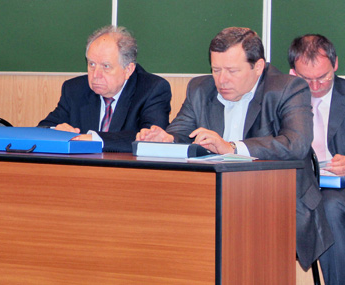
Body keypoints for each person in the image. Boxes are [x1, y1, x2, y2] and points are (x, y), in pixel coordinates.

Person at [137, 27, 332, 271]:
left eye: (232, 71)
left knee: (231, 230)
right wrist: (165, 139)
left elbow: (297, 143)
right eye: (216, 70)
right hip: (214, 199)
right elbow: (181, 132)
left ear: (258, 67)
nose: (222, 80)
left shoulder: (288, 88)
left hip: (277, 201)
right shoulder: (200, 89)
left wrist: (231, 147)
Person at [38, 25, 171, 152]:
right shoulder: (74, 89)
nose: (96, 75)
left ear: (128, 70)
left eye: (106, 66)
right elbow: (41, 129)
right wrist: (56, 131)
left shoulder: (152, 89)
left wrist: (94, 139)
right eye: (92, 64)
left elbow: (151, 139)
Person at [288, 34, 345, 284]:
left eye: (322, 77)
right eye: (306, 79)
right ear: (293, 72)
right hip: (297, 186)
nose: (315, 86)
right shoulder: (282, 98)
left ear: (335, 64)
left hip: (338, 188)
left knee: (329, 206)